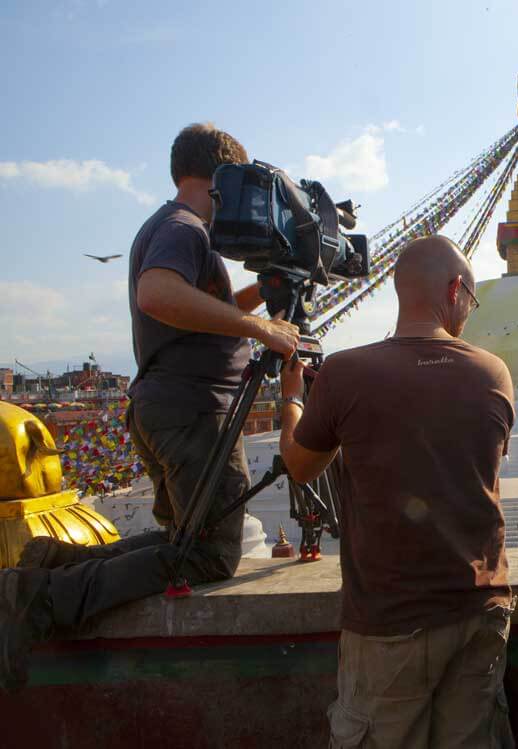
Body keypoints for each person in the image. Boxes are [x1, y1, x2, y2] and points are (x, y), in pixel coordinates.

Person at [0, 123, 300, 691]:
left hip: (169, 404)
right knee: (209, 555)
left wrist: (260, 295)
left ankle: (50, 564)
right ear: (224, 179)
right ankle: (39, 598)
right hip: (191, 410)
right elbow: (157, 295)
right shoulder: (183, 228)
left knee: (178, 540)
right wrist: (259, 327)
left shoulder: (173, 228)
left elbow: (193, 312)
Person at [278, 235, 516, 748]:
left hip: (389, 621)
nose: (468, 312)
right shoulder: (492, 372)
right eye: (470, 301)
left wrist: (293, 399)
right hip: (480, 613)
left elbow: (299, 465)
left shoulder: (345, 371)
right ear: (455, 289)